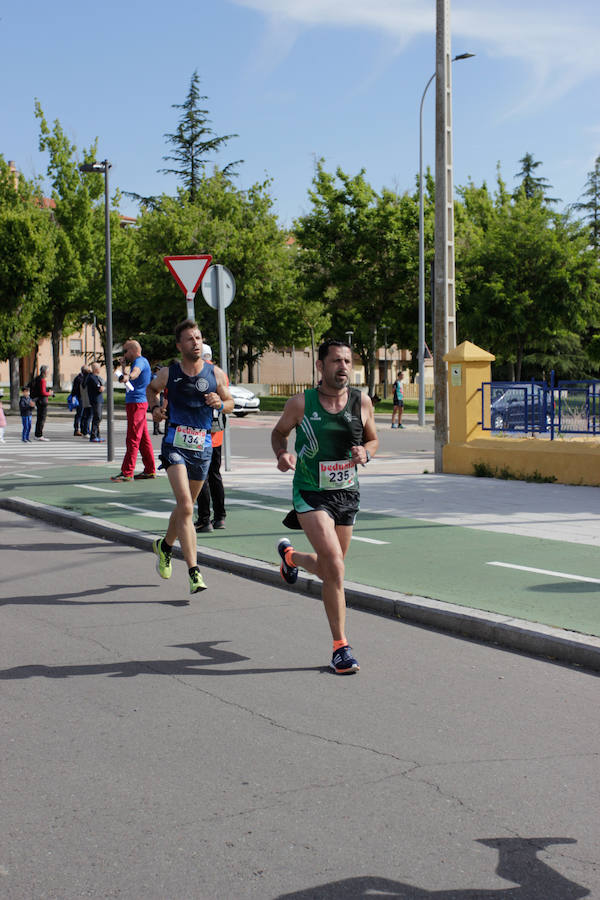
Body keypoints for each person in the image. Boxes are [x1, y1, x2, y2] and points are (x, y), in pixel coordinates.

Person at [271, 339, 379, 674]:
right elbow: (279, 433)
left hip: (347, 493)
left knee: (332, 568)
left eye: (348, 361)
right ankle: (340, 647)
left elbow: (373, 439)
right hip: (310, 492)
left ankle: (292, 558)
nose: (343, 367)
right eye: (336, 361)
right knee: (335, 565)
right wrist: (282, 454)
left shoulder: (362, 402)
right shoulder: (301, 403)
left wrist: (367, 453)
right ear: (321, 366)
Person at [147, 320, 234, 594]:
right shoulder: (169, 373)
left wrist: (220, 403)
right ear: (179, 345)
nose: (195, 342)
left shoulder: (215, 373)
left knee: (185, 508)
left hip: (203, 447)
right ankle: (194, 571)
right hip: (175, 442)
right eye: (189, 339)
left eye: (198, 337)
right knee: (185, 505)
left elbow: (230, 402)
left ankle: (165, 546)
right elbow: (152, 391)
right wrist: (156, 408)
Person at [111, 339, 156, 482]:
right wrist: (124, 367)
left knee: (133, 437)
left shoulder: (140, 361)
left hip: (137, 403)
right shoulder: (138, 362)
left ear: (133, 350)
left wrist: (128, 375)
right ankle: (149, 470)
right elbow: (130, 378)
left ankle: (127, 472)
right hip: (136, 402)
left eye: (126, 351)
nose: (124, 354)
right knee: (142, 438)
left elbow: (135, 373)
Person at [194, 344, 227, 533]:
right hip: (217, 432)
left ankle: (204, 518)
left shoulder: (198, 373)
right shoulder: (220, 373)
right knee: (215, 475)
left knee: (201, 477)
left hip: (200, 431)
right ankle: (220, 517)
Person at [33, 365, 54, 441]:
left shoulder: (38, 378)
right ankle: (39, 434)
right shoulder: (42, 380)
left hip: (39, 401)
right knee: (42, 419)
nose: (48, 373)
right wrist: (50, 393)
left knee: (39, 418)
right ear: (45, 372)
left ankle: (37, 434)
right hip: (42, 401)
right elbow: (43, 392)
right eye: (48, 371)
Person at [87, 362, 105, 442]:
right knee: (97, 417)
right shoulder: (92, 377)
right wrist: (102, 387)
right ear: (96, 369)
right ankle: (93, 435)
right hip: (96, 400)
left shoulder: (95, 377)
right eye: (99, 368)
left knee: (98, 418)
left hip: (98, 400)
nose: (100, 369)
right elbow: (100, 388)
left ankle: (97, 434)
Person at [70, 368, 84, 436]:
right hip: (80, 398)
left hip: (81, 398)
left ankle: (81, 429)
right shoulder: (79, 379)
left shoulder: (79, 378)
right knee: (79, 414)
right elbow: (76, 389)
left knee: (81, 414)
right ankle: (77, 429)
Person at [79, 366, 92, 437]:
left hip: (84, 400)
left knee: (85, 416)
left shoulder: (82, 379)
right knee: (89, 417)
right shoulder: (88, 379)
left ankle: (84, 430)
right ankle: (87, 431)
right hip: (89, 401)